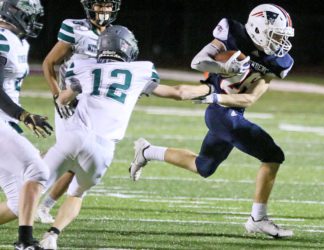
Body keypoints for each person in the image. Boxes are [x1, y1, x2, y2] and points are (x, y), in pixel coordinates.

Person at [129, 3, 295, 238]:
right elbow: (197, 62)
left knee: (204, 167)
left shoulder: (279, 62)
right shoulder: (232, 34)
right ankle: (258, 218)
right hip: (221, 113)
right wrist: (223, 66)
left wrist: (214, 96)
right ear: (258, 29)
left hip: (226, 107)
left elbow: (249, 98)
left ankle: (147, 151)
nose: (280, 42)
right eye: (276, 35)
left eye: (282, 36)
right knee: (273, 155)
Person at [39, 25, 210, 249]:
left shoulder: (84, 66)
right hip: (103, 148)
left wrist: (69, 96)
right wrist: (208, 89)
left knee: (32, 185)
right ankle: (52, 235)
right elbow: (178, 93)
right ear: (127, 48)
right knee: (78, 194)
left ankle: (27, 222)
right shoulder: (141, 70)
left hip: (75, 136)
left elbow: (62, 99)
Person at [36, 0, 122, 224]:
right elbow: (49, 63)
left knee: (79, 160)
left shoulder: (116, 35)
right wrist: (57, 95)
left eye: (108, 6)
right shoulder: (75, 28)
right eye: (100, 5)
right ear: (89, 6)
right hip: (71, 103)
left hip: (94, 107)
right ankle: (30, 178)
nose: (103, 10)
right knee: (70, 156)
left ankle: (44, 205)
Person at [0, 0, 53, 249]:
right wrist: (23, 115)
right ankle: (25, 242)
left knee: (16, 202)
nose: (33, 20)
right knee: (38, 171)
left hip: (5, 122)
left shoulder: (17, 41)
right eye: (29, 15)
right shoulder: (2, 39)